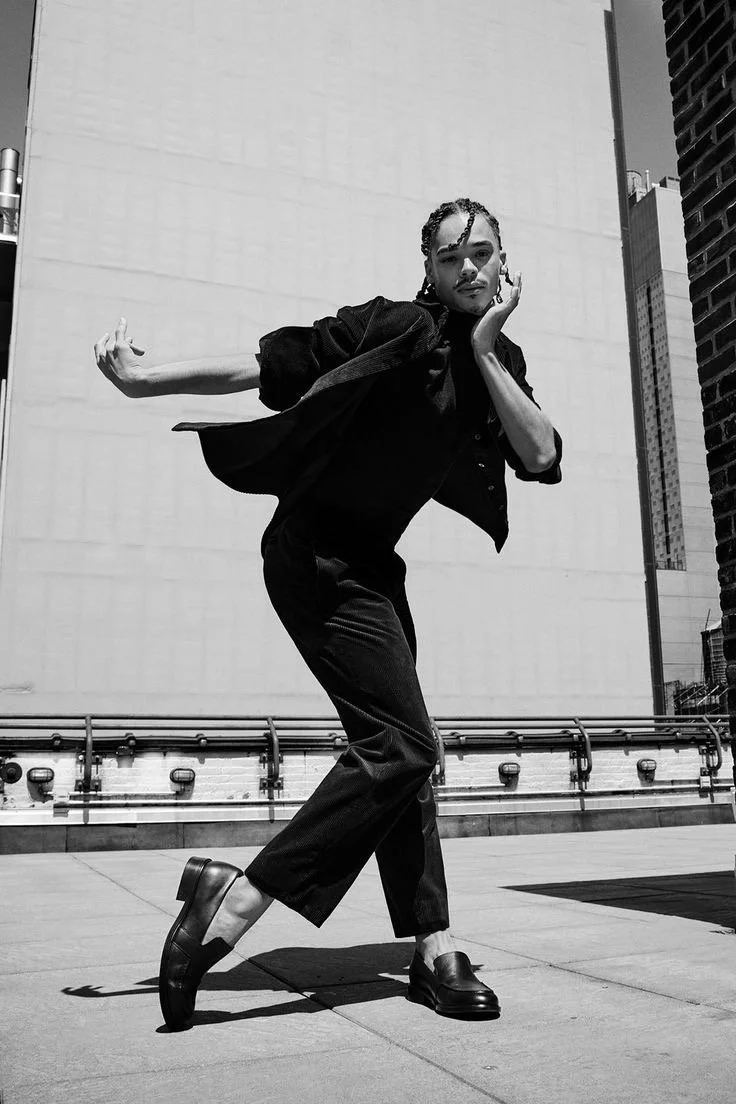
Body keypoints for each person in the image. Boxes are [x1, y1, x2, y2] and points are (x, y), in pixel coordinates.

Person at [94, 197, 562, 1032]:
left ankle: (432, 944)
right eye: (450, 256)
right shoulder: (389, 326)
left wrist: (488, 350)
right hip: (313, 556)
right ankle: (235, 903)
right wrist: (143, 379)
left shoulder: (503, 354)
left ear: (503, 259)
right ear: (427, 264)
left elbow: (541, 452)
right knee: (406, 745)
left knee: (405, 755)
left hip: (375, 569)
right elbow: (269, 362)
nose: (468, 269)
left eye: (481, 253)